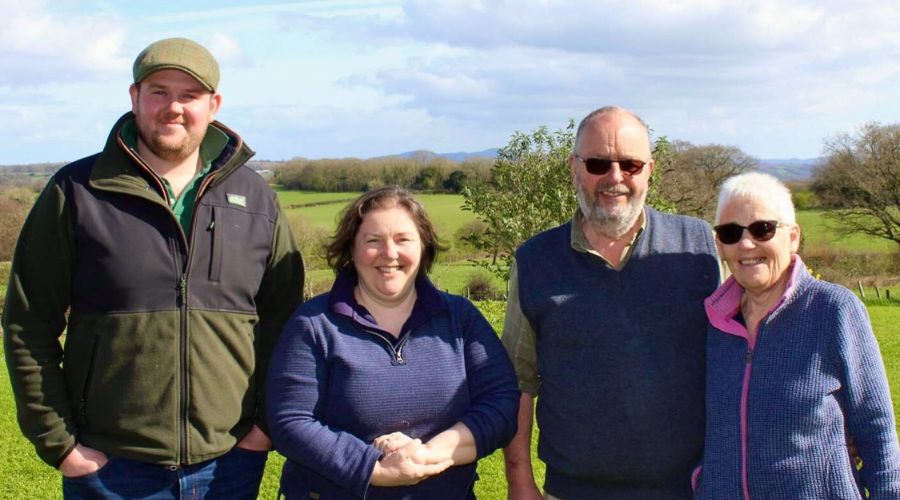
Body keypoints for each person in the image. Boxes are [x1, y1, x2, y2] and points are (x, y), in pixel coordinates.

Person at [2, 37, 304, 498]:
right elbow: (28, 323)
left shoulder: (256, 200)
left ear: (213, 103)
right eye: (159, 91)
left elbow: (285, 322)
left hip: (229, 465)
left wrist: (262, 427)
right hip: (110, 470)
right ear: (134, 97)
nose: (174, 108)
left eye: (189, 95)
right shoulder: (77, 191)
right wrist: (58, 443)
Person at [502, 106, 721, 499]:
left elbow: (744, 357)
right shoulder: (535, 261)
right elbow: (518, 380)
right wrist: (519, 480)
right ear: (574, 169)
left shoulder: (699, 249)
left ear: (650, 170)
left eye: (631, 164)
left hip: (689, 489)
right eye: (599, 163)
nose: (615, 178)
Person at [267, 186, 520, 499]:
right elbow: (290, 421)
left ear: (424, 247)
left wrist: (428, 454)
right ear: (351, 249)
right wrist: (374, 468)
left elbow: (502, 402)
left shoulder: (461, 318)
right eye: (373, 241)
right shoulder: (313, 324)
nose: (389, 253)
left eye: (403, 240)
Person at [695, 172, 900, 498]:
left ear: (793, 237)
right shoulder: (712, 324)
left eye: (763, 229)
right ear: (719, 244)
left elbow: (877, 429)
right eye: (731, 232)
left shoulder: (834, 310)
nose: (746, 244)